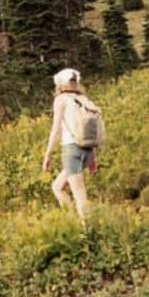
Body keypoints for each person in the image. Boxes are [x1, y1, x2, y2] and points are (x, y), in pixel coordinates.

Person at [42, 68, 98, 217]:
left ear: (60, 83)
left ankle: (88, 232)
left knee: (80, 195)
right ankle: (72, 220)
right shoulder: (83, 99)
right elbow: (91, 129)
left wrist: (47, 155)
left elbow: (56, 130)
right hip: (87, 150)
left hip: (72, 150)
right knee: (57, 186)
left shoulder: (61, 100)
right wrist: (93, 156)